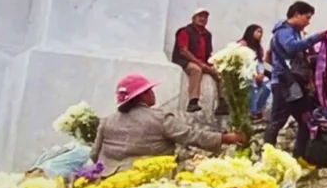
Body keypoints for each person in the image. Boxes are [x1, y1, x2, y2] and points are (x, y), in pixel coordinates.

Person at [91, 73, 242, 172]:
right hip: (149, 182)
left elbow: (94, 155)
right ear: (143, 95)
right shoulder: (159, 119)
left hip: (108, 181)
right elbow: (192, 135)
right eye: (150, 90)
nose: (152, 93)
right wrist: (225, 138)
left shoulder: (107, 121)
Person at [263, 2, 327, 158]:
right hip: (285, 83)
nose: (308, 22)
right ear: (297, 14)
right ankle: (267, 156)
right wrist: (316, 38)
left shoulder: (293, 32)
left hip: (295, 83)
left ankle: (298, 157)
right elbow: (291, 48)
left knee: (306, 121)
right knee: (278, 120)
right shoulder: (284, 32)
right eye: (307, 17)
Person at [172, 8, 217, 113]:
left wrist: (212, 63)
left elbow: (208, 52)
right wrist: (199, 63)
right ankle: (193, 101)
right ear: (193, 18)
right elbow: (183, 51)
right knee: (196, 70)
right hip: (184, 61)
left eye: (205, 17)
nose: (203, 19)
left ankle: (223, 103)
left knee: (220, 72)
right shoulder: (185, 31)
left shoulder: (208, 34)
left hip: (202, 62)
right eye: (200, 16)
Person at [240, 24, 272, 121]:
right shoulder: (242, 44)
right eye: (258, 31)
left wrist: (261, 73)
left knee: (268, 85)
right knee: (251, 83)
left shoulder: (259, 48)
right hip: (245, 72)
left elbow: (260, 62)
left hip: (257, 72)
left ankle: (258, 108)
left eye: (261, 32)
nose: (260, 34)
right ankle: (252, 111)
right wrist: (253, 74)